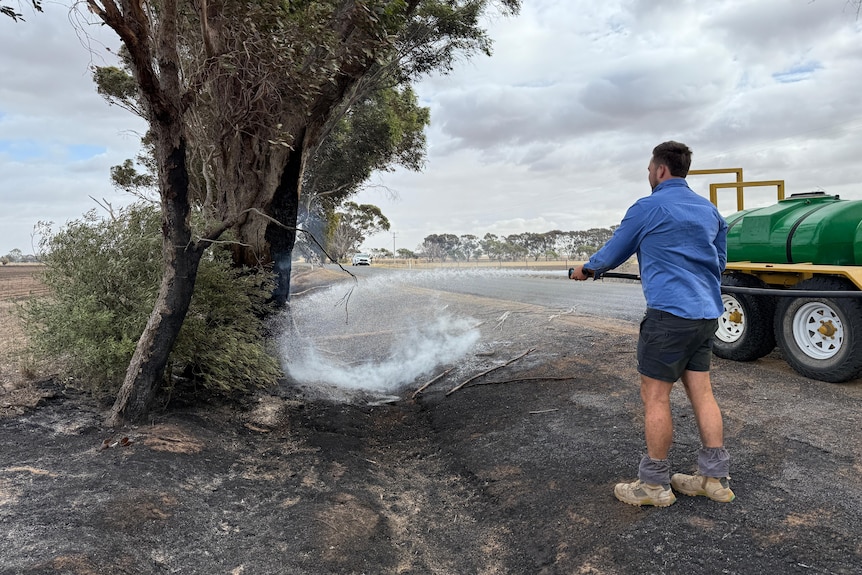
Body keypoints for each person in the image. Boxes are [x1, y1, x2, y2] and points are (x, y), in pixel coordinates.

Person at [569, 141, 734, 507]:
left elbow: (612, 253)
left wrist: (585, 270)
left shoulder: (648, 207)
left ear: (660, 170)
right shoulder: (710, 211)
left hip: (669, 318)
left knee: (656, 396)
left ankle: (655, 485)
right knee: (702, 393)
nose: (648, 175)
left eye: (649, 169)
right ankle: (714, 478)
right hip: (706, 315)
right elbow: (720, 262)